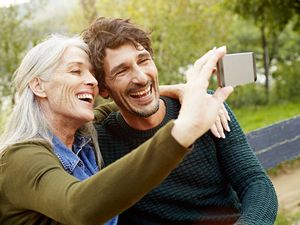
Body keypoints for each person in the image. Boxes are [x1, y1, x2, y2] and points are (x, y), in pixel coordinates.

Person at [0, 34, 233, 225]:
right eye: (75, 71)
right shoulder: (21, 157)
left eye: (92, 72)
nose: (92, 80)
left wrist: (183, 90)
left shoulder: (83, 134)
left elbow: (125, 99)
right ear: (39, 85)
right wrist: (183, 131)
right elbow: (77, 207)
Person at [82, 17, 278, 225]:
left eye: (144, 60)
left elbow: (256, 183)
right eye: (122, 70)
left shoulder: (207, 107)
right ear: (103, 89)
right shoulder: (97, 144)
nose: (141, 77)